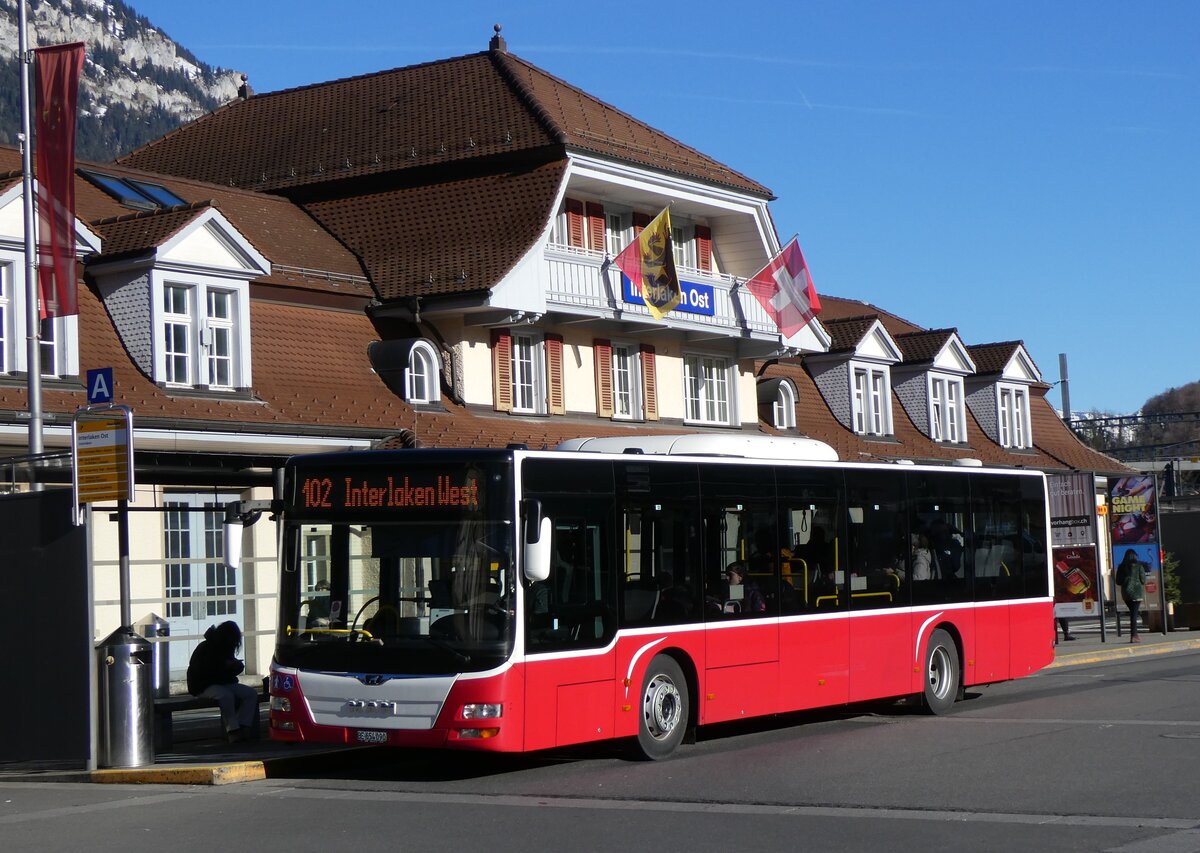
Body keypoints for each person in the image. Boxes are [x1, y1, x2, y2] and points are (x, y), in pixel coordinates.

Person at [187, 621, 259, 742]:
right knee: (226, 696)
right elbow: (203, 671)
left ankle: (244, 726)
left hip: (222, 683)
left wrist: (236, 666)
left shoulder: (225, 647)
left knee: (251, 694)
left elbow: (226, 670)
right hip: (203, 685)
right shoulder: (206, 648)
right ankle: (233, 730)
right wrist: (224, 666)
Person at [1115, 549, 1147, 643]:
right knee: (1134, 614)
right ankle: (1134, 635)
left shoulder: (1121, 567)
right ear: (1135, 556)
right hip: (1137, 593)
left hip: (1126, 594)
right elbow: (1143, 580)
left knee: (1133, 613)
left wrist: (1126, 580)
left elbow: (1118, 581)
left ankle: (1134, 635)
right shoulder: (1139, 566)